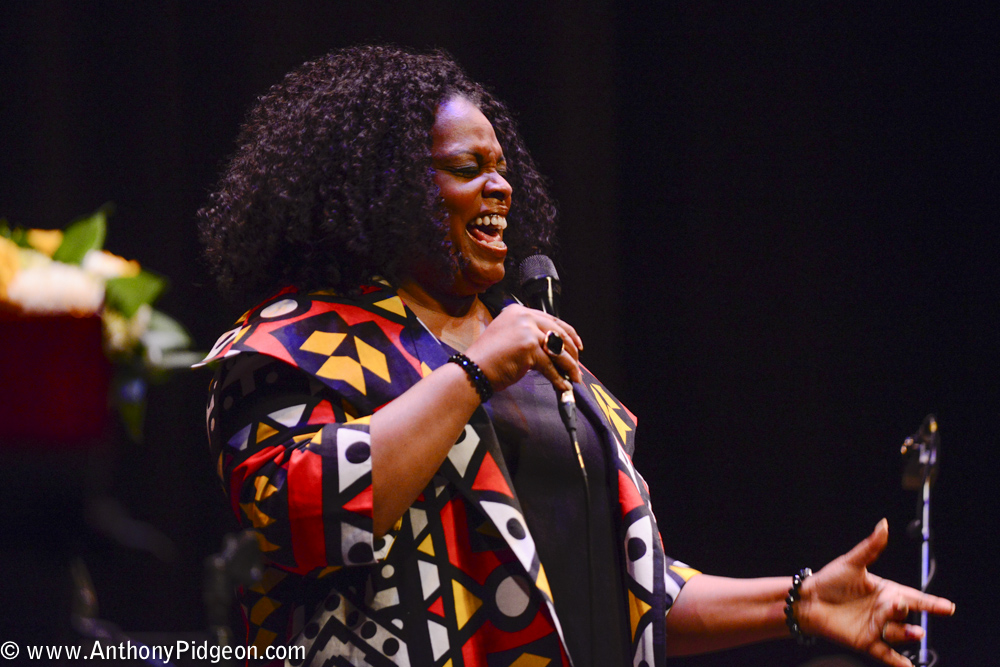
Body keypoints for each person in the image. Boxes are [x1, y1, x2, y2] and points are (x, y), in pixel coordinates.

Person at [197, 45, 953, 667]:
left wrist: (798, 600)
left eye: (503, 169)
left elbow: (633, 592)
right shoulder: (296, 345)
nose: (501, 188)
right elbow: (303, 523)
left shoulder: (546, 369)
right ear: (384, 191)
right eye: (467, 169)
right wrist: (473, 372)